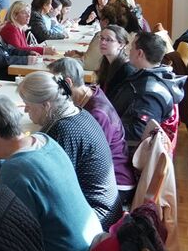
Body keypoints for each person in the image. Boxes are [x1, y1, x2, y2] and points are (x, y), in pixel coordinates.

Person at [0, 97, 101, 251]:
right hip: (93, 244)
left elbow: (14, 239)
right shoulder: (44, 140)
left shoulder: (15, 172)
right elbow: (21, 166)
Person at [17, 71, 121, 230]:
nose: (25, 110)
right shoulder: (78, 113)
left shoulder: (62, 130)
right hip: (107, 209)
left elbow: (48, 188)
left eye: (28, 105)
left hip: (95, 220)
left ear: (46, 105)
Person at [49, 58, 136, 201]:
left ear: (68, 83)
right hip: (107, 176)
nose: (51, 91)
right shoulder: (91, 93)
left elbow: (94, 159)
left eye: (53, 85)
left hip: (115, 185)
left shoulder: (97, 113)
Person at [111, 32, 187, 145]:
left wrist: (107, 127)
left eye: (132, 47)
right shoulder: (155, 76)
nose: (129, 50)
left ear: (140, 53)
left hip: (126, 150)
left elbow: (140, 132)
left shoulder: (149, 93)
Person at [96, 24, 134, 99]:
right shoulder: (106, 63)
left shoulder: (127, 70)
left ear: (121, 45)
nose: (103, 42)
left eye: (108, 40)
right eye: (102, 38)